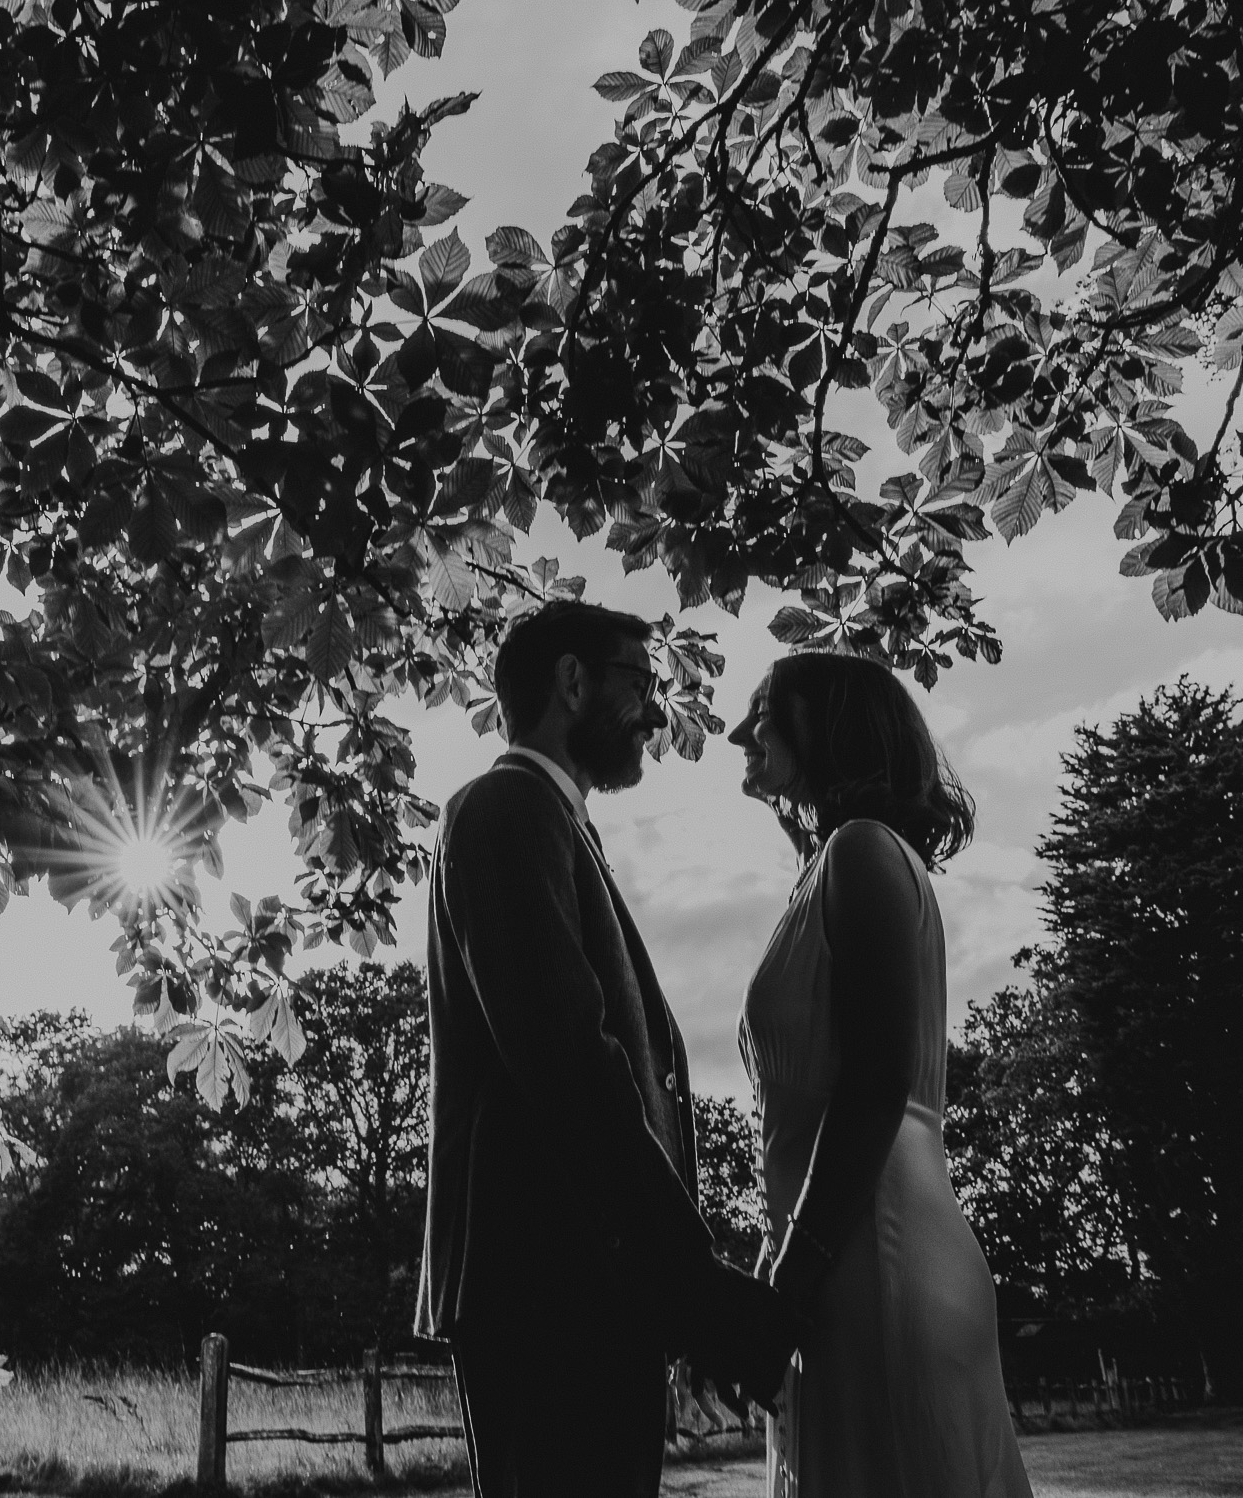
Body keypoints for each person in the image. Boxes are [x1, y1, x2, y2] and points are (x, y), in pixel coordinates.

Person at [418, 599, 793, 1498]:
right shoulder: (504, 808)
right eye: (641, 683)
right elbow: (569, 1064)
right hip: (545, 1283)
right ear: (572, 680)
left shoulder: (555, 822)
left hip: (587, 1280)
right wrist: (694, 1284)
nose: (658, 711)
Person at [730, 652, 1034, 1498]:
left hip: (877, 1251)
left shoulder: (862, 851)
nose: (737, 732)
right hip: (835, 1251)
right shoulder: (829, 864)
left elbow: (874, 1081)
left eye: (764, 711)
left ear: (824, 726)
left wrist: (792, 1279)